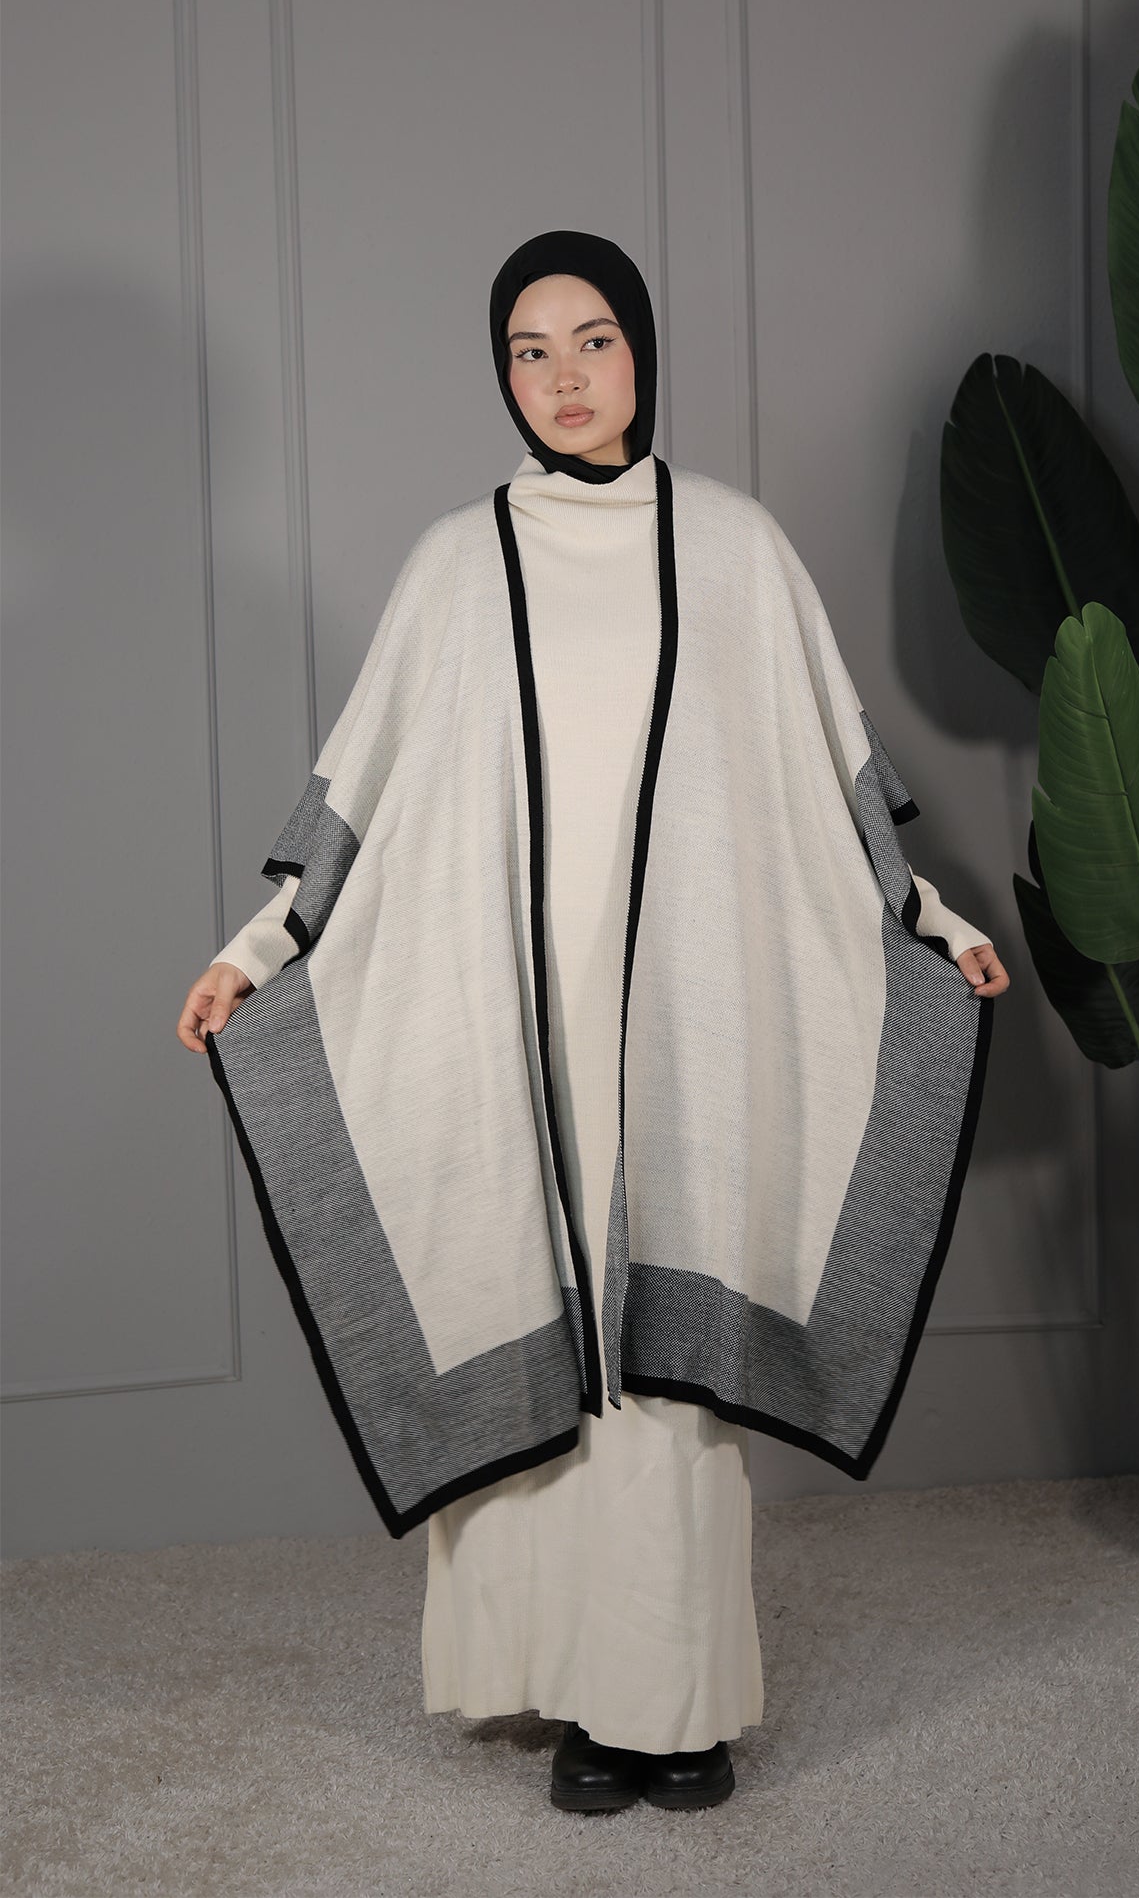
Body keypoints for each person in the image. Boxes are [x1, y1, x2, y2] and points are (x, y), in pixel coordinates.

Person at [177, 230, 1010, 1815]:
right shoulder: (456, 562)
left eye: (595, 340)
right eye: (531, 351)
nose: (564, 378)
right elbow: (358, 793)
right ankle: (571, 1693)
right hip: (511, 1020)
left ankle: (672, 1705)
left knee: (667, 1388)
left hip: (690, 1024)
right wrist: (257, 949)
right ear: (502, 374)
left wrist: (936, 924)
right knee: (534, 1327)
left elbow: (839, 782)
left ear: (643, 351)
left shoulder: (739, 550)